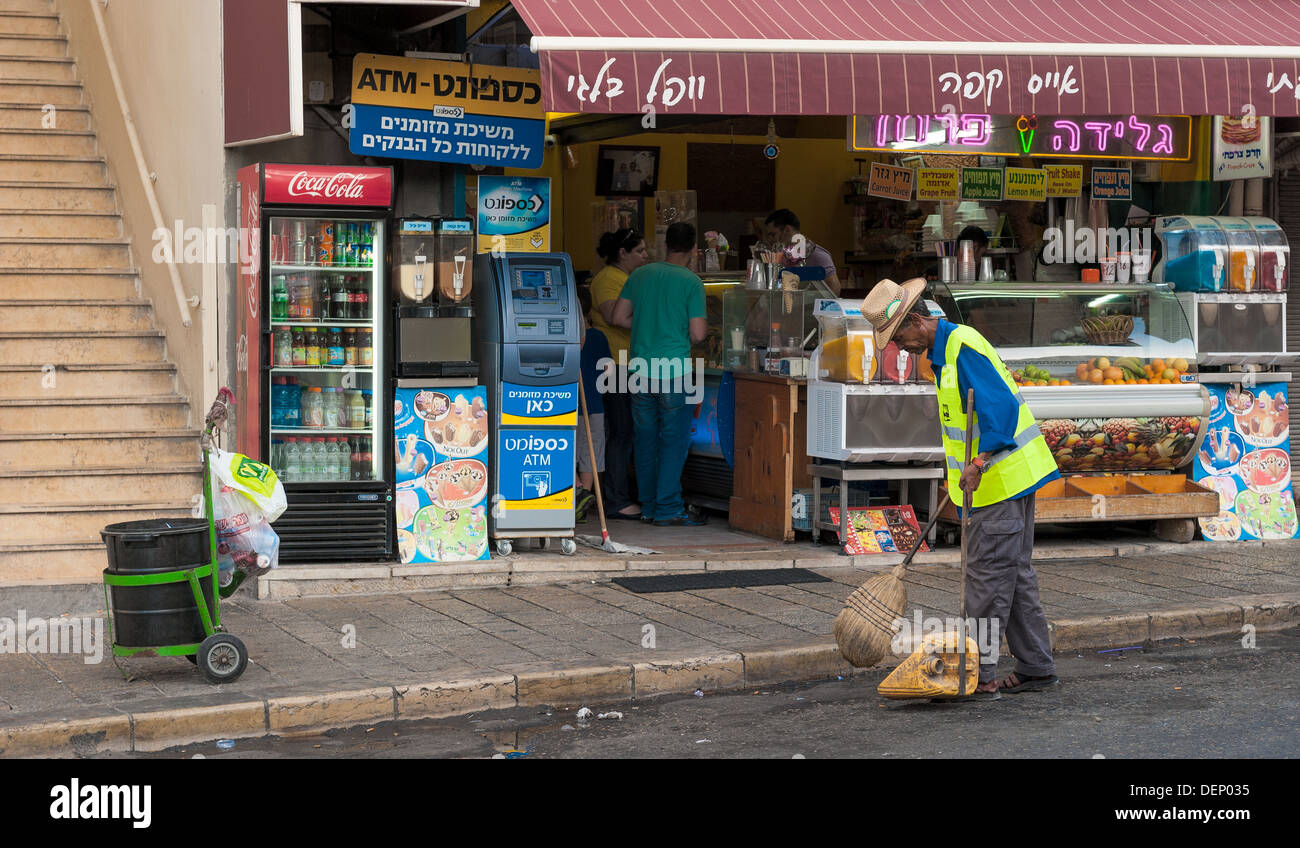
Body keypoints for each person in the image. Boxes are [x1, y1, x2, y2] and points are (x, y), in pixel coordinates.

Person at [864, 277, 1062, 698]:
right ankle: (1036, 667)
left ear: (917, 321)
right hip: (1006, 481)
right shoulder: (943, 354)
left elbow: (1002, 411)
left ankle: (978, 672)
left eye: (900, 338)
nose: (901, 348)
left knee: (987, 582)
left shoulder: (961, 347)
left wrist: (976, 463)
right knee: (1014, 576)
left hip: (998, 483)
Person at [612, 221, 707, 527]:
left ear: (665, 245)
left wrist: (645, 328)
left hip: (639, 368)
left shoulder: (640, 274)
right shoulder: (691, 282)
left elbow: (618, 316)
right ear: (693, 249)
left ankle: (649, 505)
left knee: (645, 439)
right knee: (673, 440)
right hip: (674, 371)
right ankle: (667, 508)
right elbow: (699, 333)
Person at [590, 228, 648, 519]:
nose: (645, 256)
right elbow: (617, 316)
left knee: (628, 431)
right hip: (614, 363)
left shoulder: (628, 279)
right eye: (639, 251)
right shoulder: (608, 279)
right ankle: (616, 500)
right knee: (621, 432)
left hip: (629, 362)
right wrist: (655, 317)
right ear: (622, 253)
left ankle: (622, 495)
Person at [574, 287, 612, 523]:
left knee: (568, 452)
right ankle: (584, 496)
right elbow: (608, 369)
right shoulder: (599, 337)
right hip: (594, 405)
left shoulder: (566, 340)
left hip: (569, 406)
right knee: (590, 453)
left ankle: (578, 493)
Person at [764, 208, 841, 295]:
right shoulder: (782, 256)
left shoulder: (817, 255)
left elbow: (834, 290)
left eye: (773, 235)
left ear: (787, 229)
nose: (770, 240)